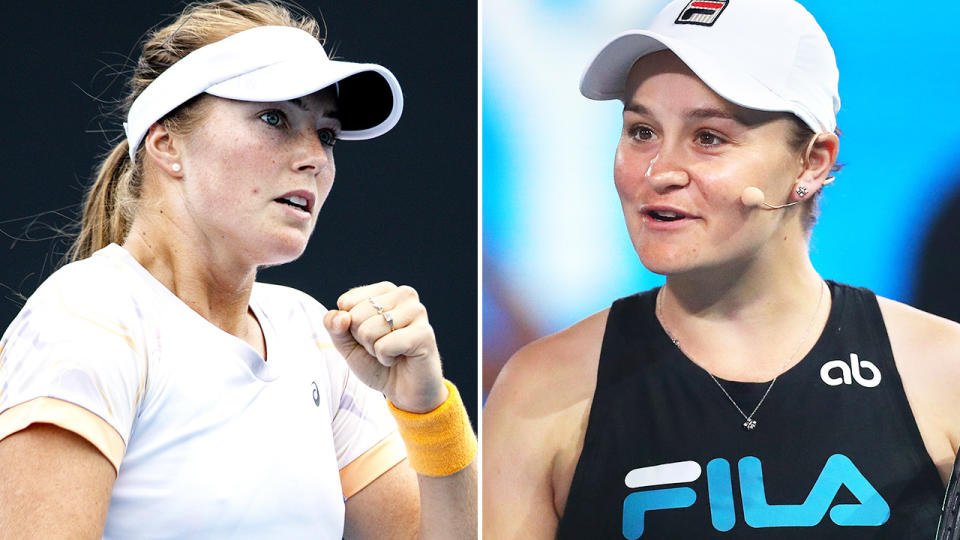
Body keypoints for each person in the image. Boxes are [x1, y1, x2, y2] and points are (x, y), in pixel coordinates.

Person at [483, 0, 960, 538]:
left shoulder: (945, 374)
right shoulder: (538, 392)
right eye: (641, 131)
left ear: (813, 162)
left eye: (708, 137)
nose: (659, 172)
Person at [0, 1, 476, 538]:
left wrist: (427, 408)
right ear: (167, 143)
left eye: (327, 134)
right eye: (275, 118)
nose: (315, 157)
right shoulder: (89, 319)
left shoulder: (312, 336)